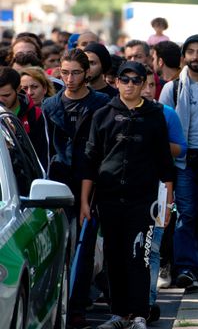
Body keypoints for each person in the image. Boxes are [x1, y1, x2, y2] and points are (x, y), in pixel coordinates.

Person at [81, 61, 175, 329]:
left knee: (140, 257)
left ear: (145, 83)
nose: (131, 85)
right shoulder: (102, 115)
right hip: (109, 199)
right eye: (126, 79)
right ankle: (120, 314)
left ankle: (140, 314)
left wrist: (168, 204)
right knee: (114, 257)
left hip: (143, 201)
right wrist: (85, 203)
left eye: (137, 80)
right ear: (117, 82)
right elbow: (90, 160)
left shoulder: (155, 114)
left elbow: (165, 164)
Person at [42, 48, 110, 329]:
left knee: (83, 250)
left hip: (91, 184)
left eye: (76, 73)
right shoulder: (49, 106)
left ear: (87, 73)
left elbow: (101, 150)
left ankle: (78, 306)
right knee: (57, 248)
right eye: (64, 72)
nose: (69, 78)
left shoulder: (101, 104)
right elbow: (43, 149)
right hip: (55, 183)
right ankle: (56, 303)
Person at [159, 34, 198, 290]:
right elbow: (160, 126)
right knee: (186, 215)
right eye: (191, 52)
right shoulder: (172, 88)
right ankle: (185, 268)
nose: (196, 57)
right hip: (183, 161)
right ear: (184, 56)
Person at [140, 66, 187, 323]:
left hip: (158, 190)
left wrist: (157, 142)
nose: (145, 90)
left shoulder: (165, 113)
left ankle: (148, 302)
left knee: (152, 248)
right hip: (125, 193)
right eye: (140, 84)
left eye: (149, 84)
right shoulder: (114, 113)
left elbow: (181, 149)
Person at [0, 66, 49, 166]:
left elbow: (43, 156)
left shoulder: (35, 115)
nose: (1, 100)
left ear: (18, 89)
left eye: (6, 95)